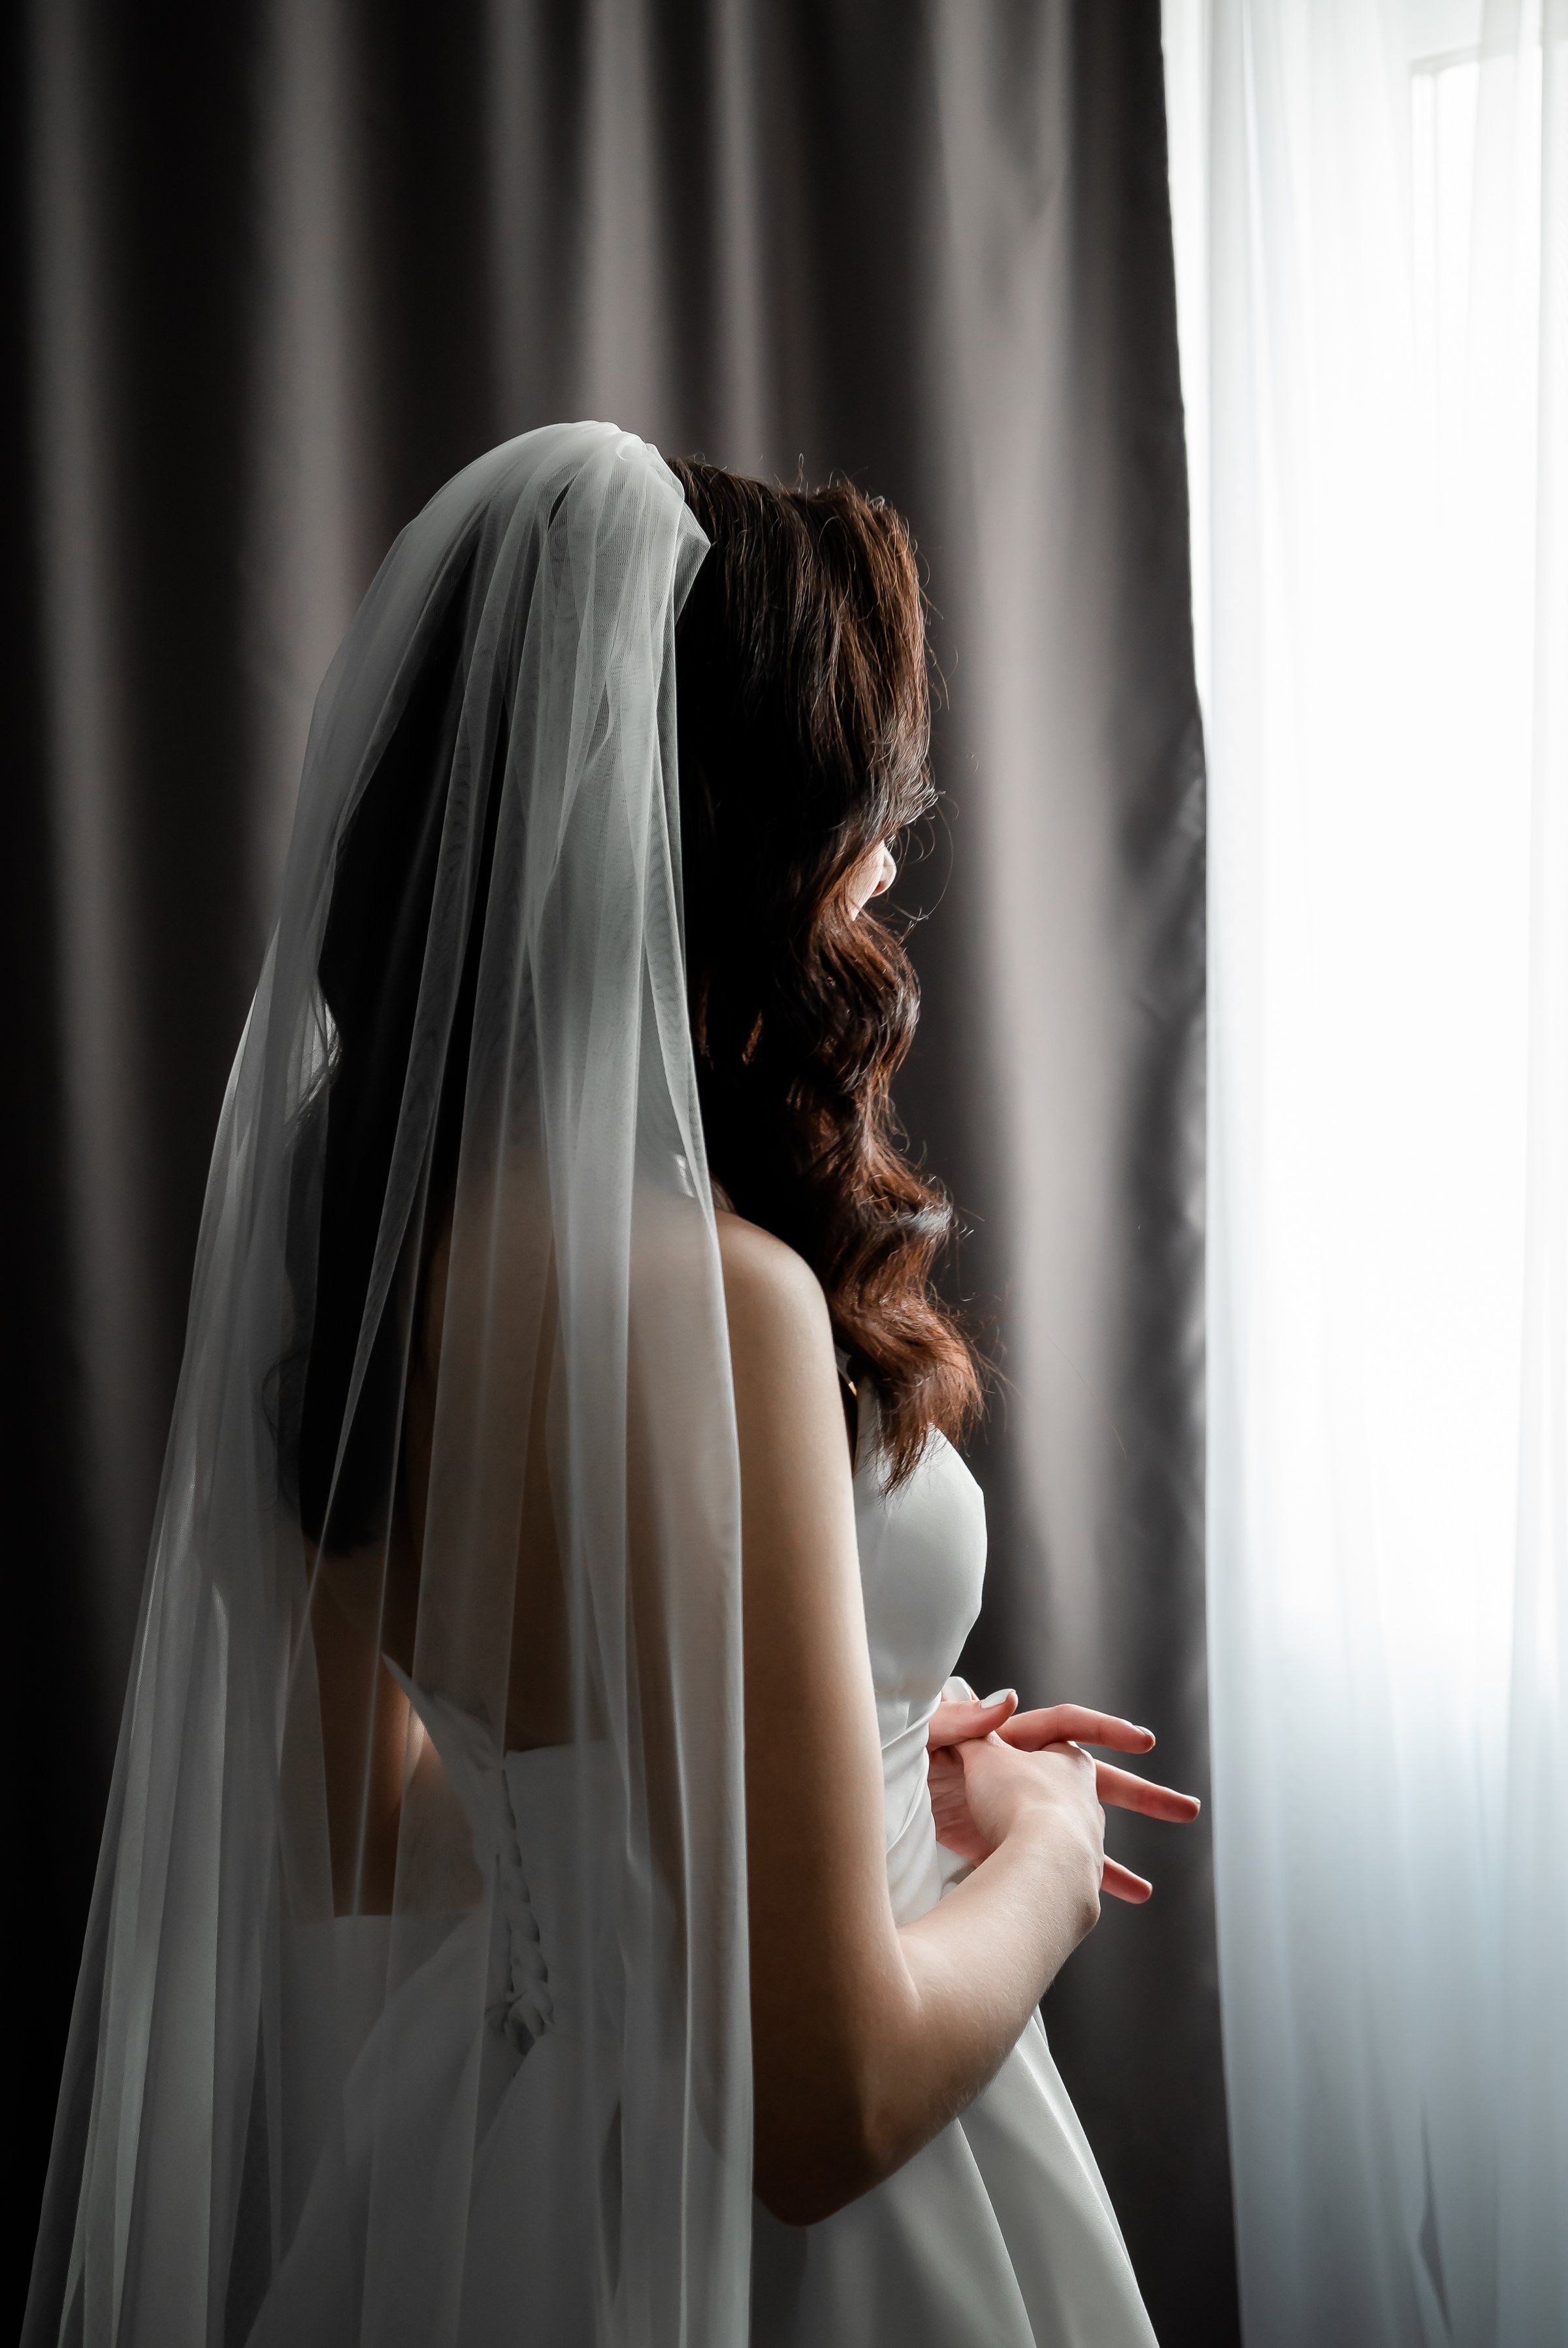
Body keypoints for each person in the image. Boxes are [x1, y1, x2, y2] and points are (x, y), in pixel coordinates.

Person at [25, 423, 1197, 2348]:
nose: (887, 857)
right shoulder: (716, 1302)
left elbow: (359, 1829)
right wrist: (1054, 1848)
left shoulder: (354, 1235)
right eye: (862, 811)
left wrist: (832, 1764)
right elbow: (817, 2116)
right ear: (741, 836)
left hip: (496, 2169)